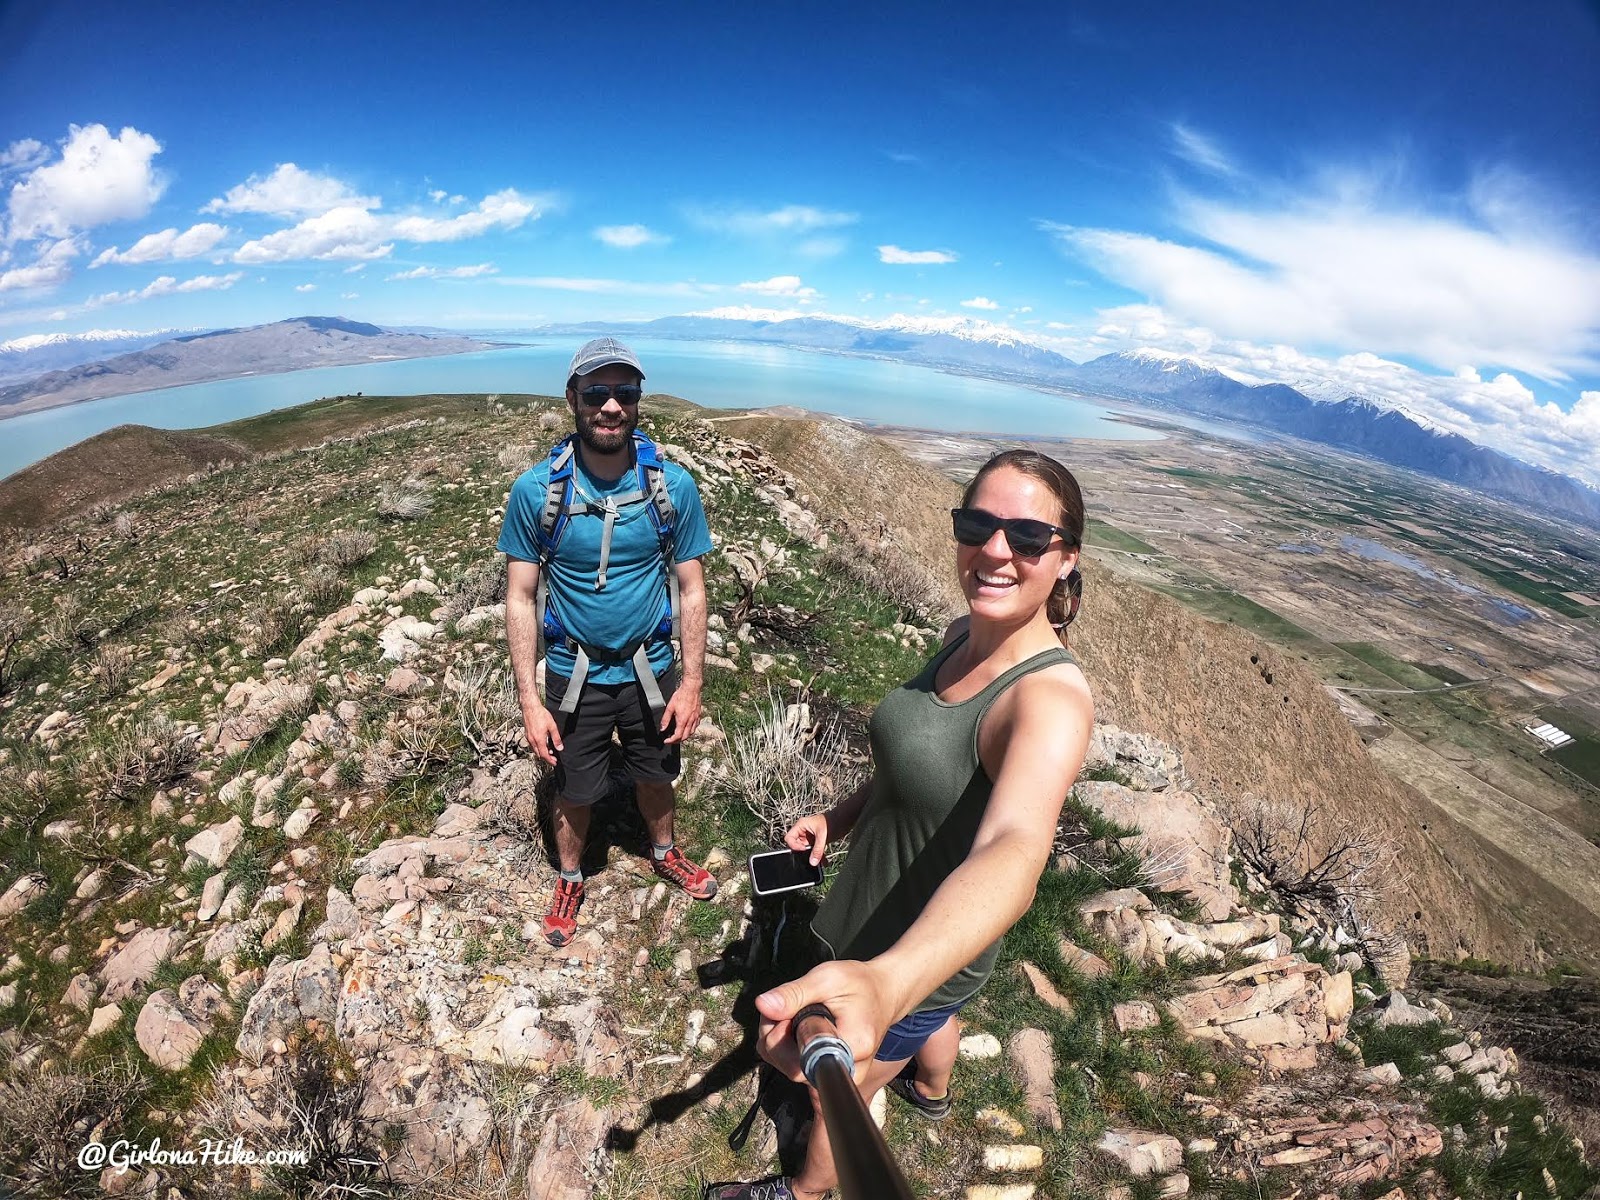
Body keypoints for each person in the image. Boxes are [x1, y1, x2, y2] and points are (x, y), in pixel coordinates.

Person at [708, 449, 1094, 1200]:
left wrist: (889, 984)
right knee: (935, 1023)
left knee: (836, 1093)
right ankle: (934, 1091)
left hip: (918, 960)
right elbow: (912, 768)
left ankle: (803, 1193)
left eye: (1026, 536)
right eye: (977, 524)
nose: (994, 550)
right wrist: (838, 816)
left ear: (1067, 558)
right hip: (885, 923)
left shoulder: (1048, 702)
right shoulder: (961, 631)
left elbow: (1016, 848)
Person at [500, 337, 719, 948]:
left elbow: (692, 588)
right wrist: (528, 699)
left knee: (657, 770)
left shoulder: (671, 488)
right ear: (573, 398)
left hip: (652, 667)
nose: (612, 406)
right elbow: (519, 596)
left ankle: (664, 849)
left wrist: (694, 682)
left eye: (625, 392)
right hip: (574, 671)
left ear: (638, 400)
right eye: (597, 392)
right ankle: (570, 875)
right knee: (574, 786)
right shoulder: (536, 492)